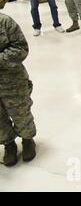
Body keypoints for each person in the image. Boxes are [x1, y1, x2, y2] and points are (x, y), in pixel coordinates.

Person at [0, 10, 37, 167]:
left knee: (20, 112)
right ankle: (8, 144)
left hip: (12, 80)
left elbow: (21, 48)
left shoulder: (5, 22)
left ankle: (27, 140)